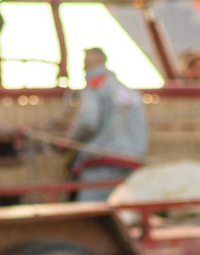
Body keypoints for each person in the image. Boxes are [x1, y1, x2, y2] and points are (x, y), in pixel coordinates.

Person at [63, 47, 149, 200]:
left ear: (88, 63)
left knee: (91, 218)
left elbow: (87, 122)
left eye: (84, 62)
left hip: (100, 163)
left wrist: (70, 141)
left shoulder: (95, 87)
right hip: (131, 162)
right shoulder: (130, 92)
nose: (83, 67)